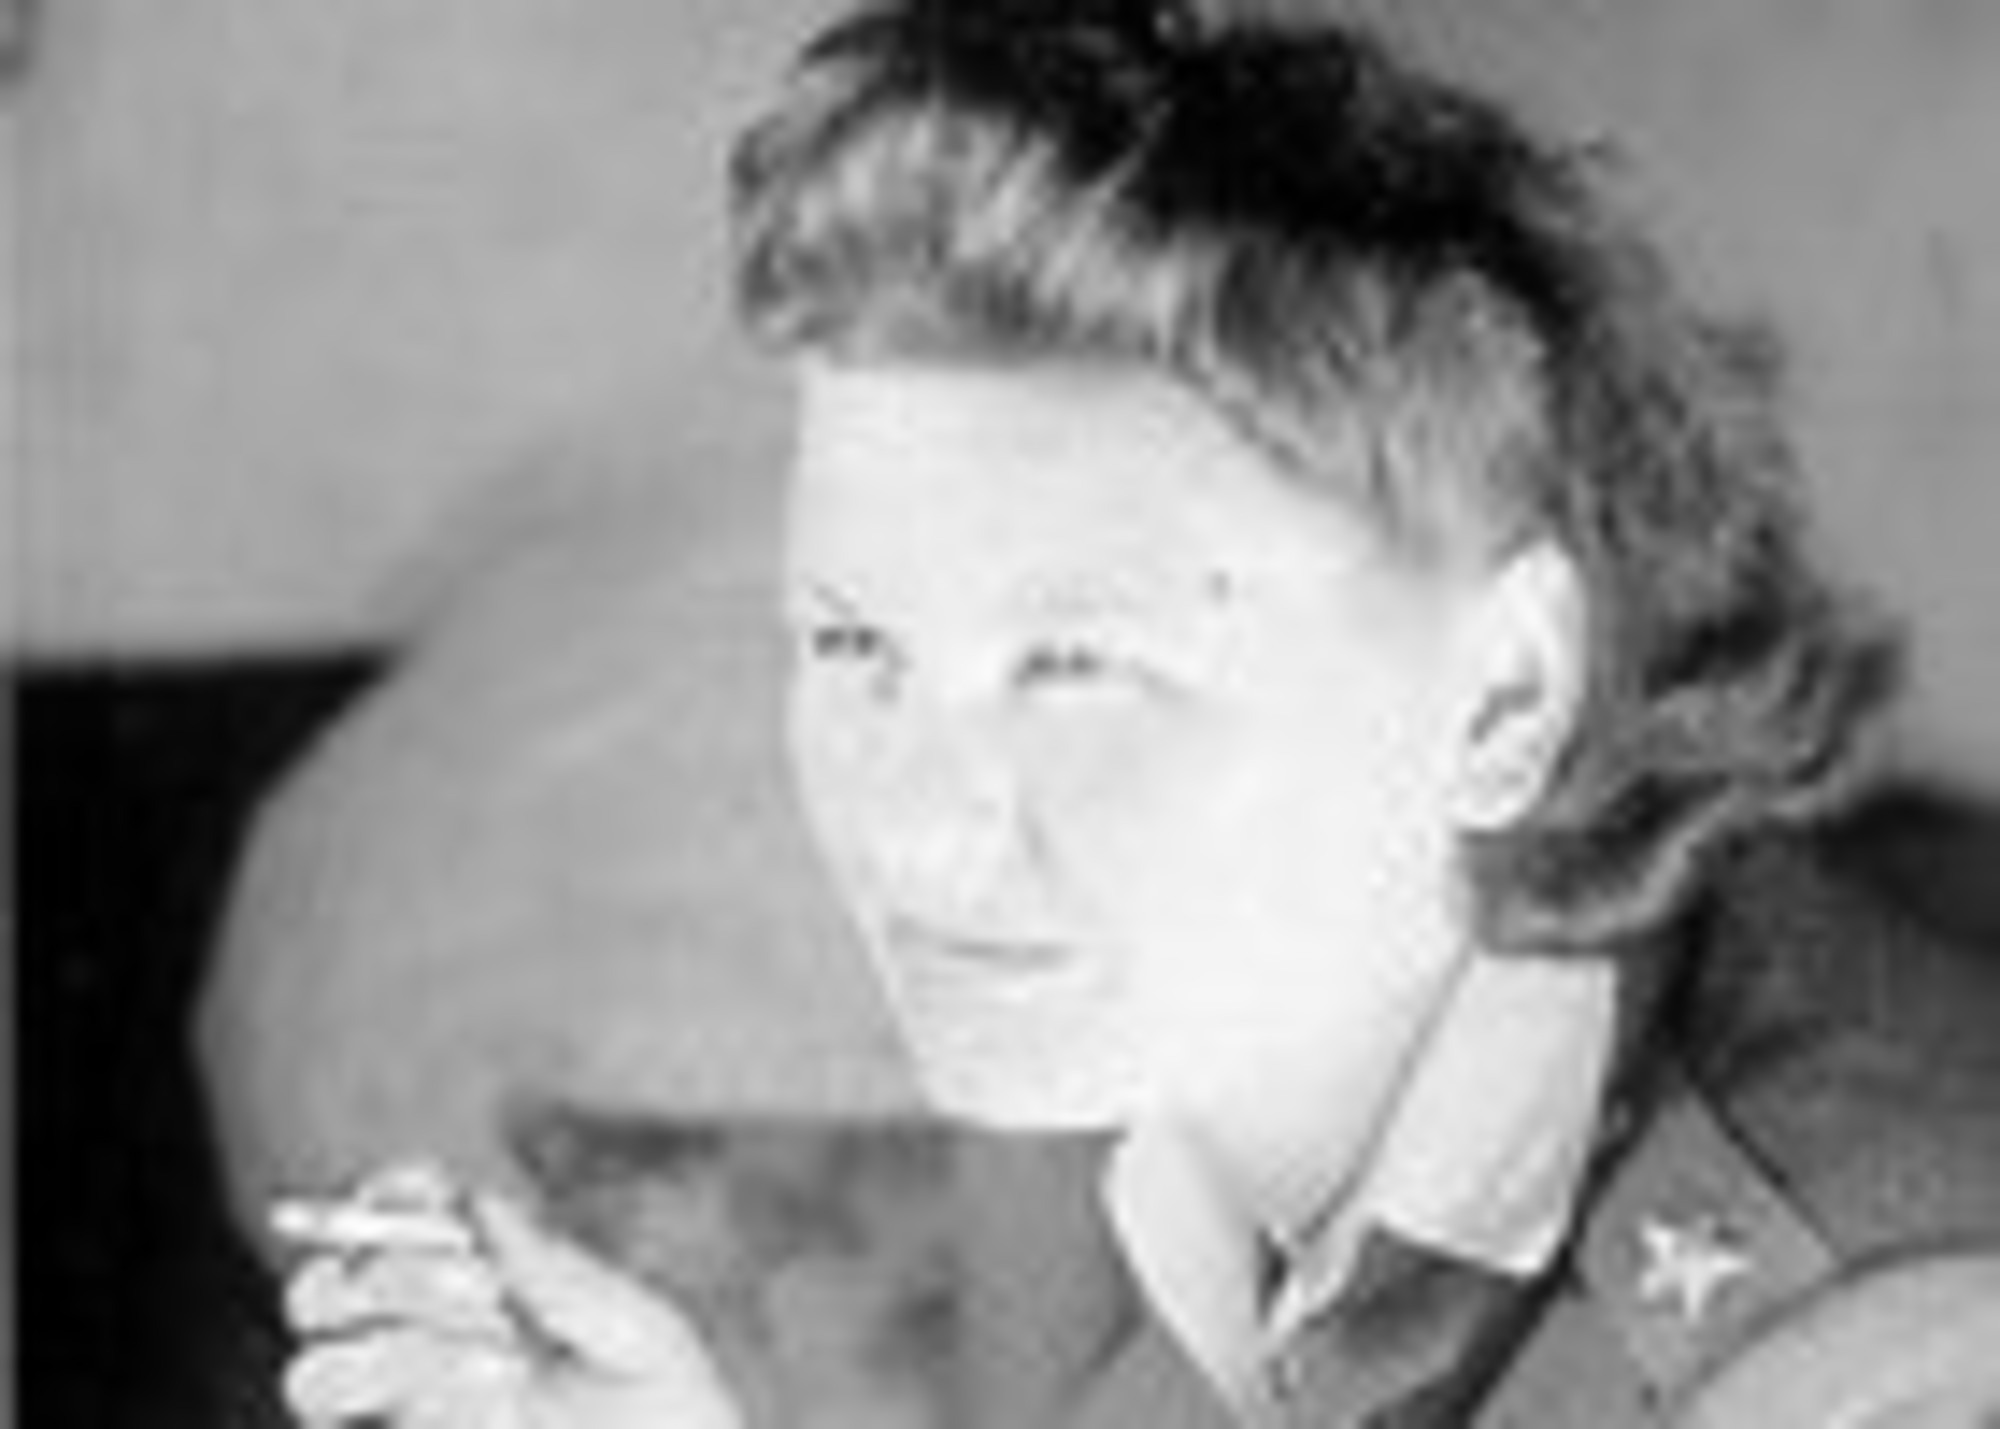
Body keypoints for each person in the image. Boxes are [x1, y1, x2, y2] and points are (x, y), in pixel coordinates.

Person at [273, 1, 2000, 1424]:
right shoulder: (1128, 1085)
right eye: (853, 646)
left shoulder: (1870, 1351)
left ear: (1505, 695)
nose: (915, 830)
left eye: (1078, 665)